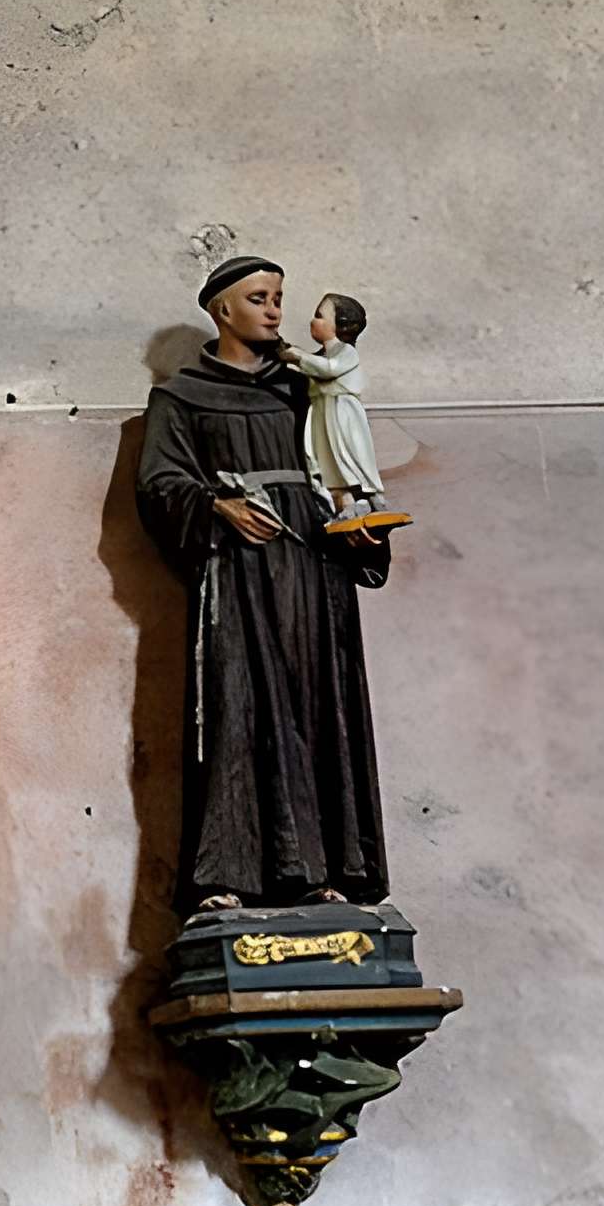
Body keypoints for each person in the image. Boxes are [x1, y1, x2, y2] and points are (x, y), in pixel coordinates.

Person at [134, 257, 394, 914]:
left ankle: (331, 868)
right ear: (222, 311)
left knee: (320, 707)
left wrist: (361, 526)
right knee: (238, 712)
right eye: (259, 298)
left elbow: (344, 461)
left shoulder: (306, 390)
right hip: (240, 573)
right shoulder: (183, 396)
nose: (276, 310)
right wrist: (217, 507)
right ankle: (232, 874)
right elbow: (160, 486)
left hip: (312, 569)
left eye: (280, 297)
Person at [283, 291, 410, 535]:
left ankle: (374, 501)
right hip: (321, 413)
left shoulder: (345, 352)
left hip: (342, 414)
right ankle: (345, 505)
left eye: (320, 317)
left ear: (340, 326)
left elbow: (329, 369)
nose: (313, 322)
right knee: (327, 460)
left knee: (352, 455)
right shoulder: (319, 355)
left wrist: (296, 356)